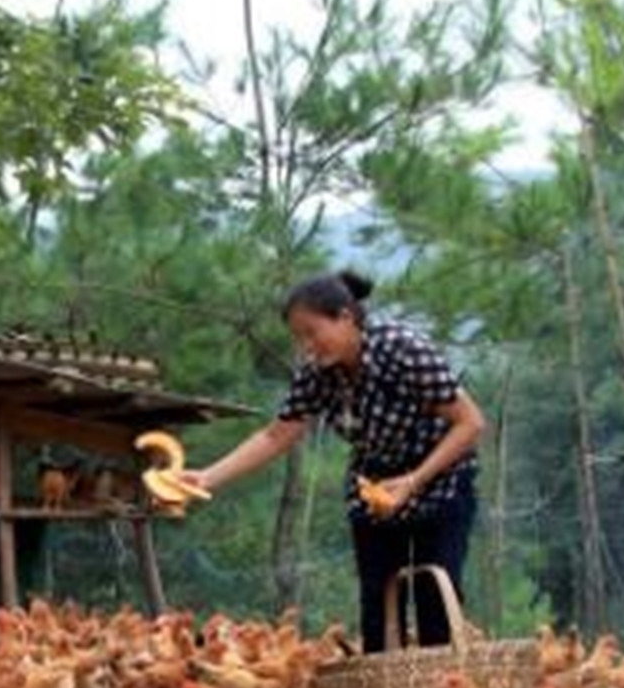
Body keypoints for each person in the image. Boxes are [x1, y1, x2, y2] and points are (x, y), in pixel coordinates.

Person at [185, 270, 485, 653]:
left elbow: (471, 423)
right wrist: (209, 477)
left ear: (345, 317)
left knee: (433, 596)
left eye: (312, 332)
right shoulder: (318, 376)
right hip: (373, 483)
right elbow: (276, 435)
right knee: (378, 600)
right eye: (299, 339)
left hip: (440, 477)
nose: (308, 346)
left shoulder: (403, 349)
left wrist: (414, 480)